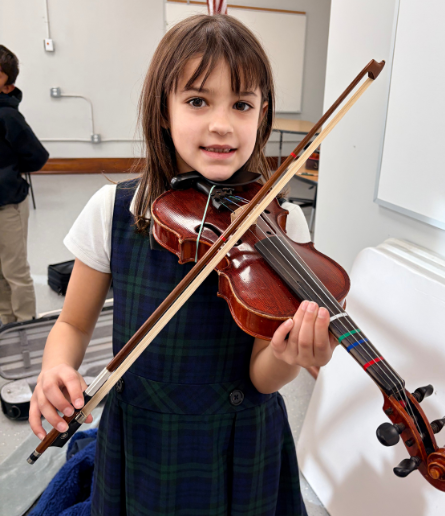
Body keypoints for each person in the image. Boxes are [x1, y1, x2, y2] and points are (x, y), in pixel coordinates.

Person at [29, 15, 329, 514]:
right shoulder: (115, 209)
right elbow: (73, 321)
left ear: (262, 113)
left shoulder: (282, 223)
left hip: (241, 435)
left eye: (242, 104)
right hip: (144, 434)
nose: (222, 123)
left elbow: (262, 376)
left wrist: (290, 355)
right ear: (163, 111)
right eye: (197, 100)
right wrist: (56, 367)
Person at [0, 44, 48, 324]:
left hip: (8, 207)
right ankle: (7, 323)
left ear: (7, 84)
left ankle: (26, 326)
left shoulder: (8, 116)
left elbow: (37, 156)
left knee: (15, 271)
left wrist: (9, 172)